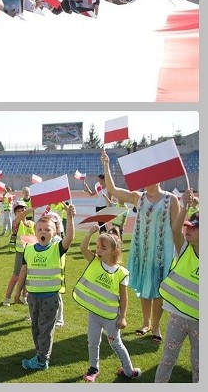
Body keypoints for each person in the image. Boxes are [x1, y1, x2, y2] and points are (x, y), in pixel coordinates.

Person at [101, 150, 177, 343]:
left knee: (158, 289)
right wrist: (106, 166)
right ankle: (146, 322)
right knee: (145, 287)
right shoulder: (138, 197)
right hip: (143, 251)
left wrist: (181, 252)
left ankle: (156, 326)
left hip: (162, 252)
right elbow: (114, 190)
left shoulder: (171, 199)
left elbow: (177, 228)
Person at [73, 225, 140, 382]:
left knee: (116, 344)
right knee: (93, 342)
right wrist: (90, 233)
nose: (98, 250)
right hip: (94, 314)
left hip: (110, 317)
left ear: (114, 251)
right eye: (97, 247)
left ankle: (129, 371)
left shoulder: (121, 273)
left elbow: (124, 298)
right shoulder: (95, 261)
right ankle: (93, 368)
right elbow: (83, 248)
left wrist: (122, 316)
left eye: (103, 248)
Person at [16, 205, 77, 370]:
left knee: (45, 330)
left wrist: (70, 218)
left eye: (48, 229)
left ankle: (42, 360)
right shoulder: (28, 250)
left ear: (55, 233)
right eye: (40, 229)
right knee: (35, 328)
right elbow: (24, 271)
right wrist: (17, 291)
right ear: (35, 232)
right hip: (33, 297)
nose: (43, 232)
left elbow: (70, 238)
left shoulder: (56, 249)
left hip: (50, 298)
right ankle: (40, 355)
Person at [155, 203, 199, 383]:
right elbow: (175, 231)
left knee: (199, 365)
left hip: (199, 320)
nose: (187, 230)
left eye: (194, 228)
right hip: (178, 316)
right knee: (167, 359)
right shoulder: (184, 249)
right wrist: (185, 208)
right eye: (187, 226)